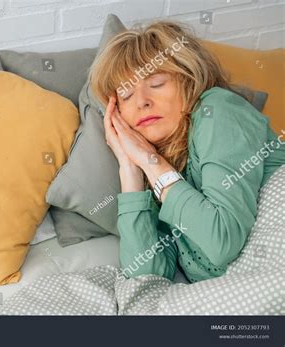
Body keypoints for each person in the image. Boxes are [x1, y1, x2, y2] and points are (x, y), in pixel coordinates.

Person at [88, 21, 285, 283]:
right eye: (125, 94)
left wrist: (153, 163)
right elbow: (146, 278)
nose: (142, 100)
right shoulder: (159, 167)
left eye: (156, 82)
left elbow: (222, 241)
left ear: (189, 80)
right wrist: (130, 168)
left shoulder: (217, 111)